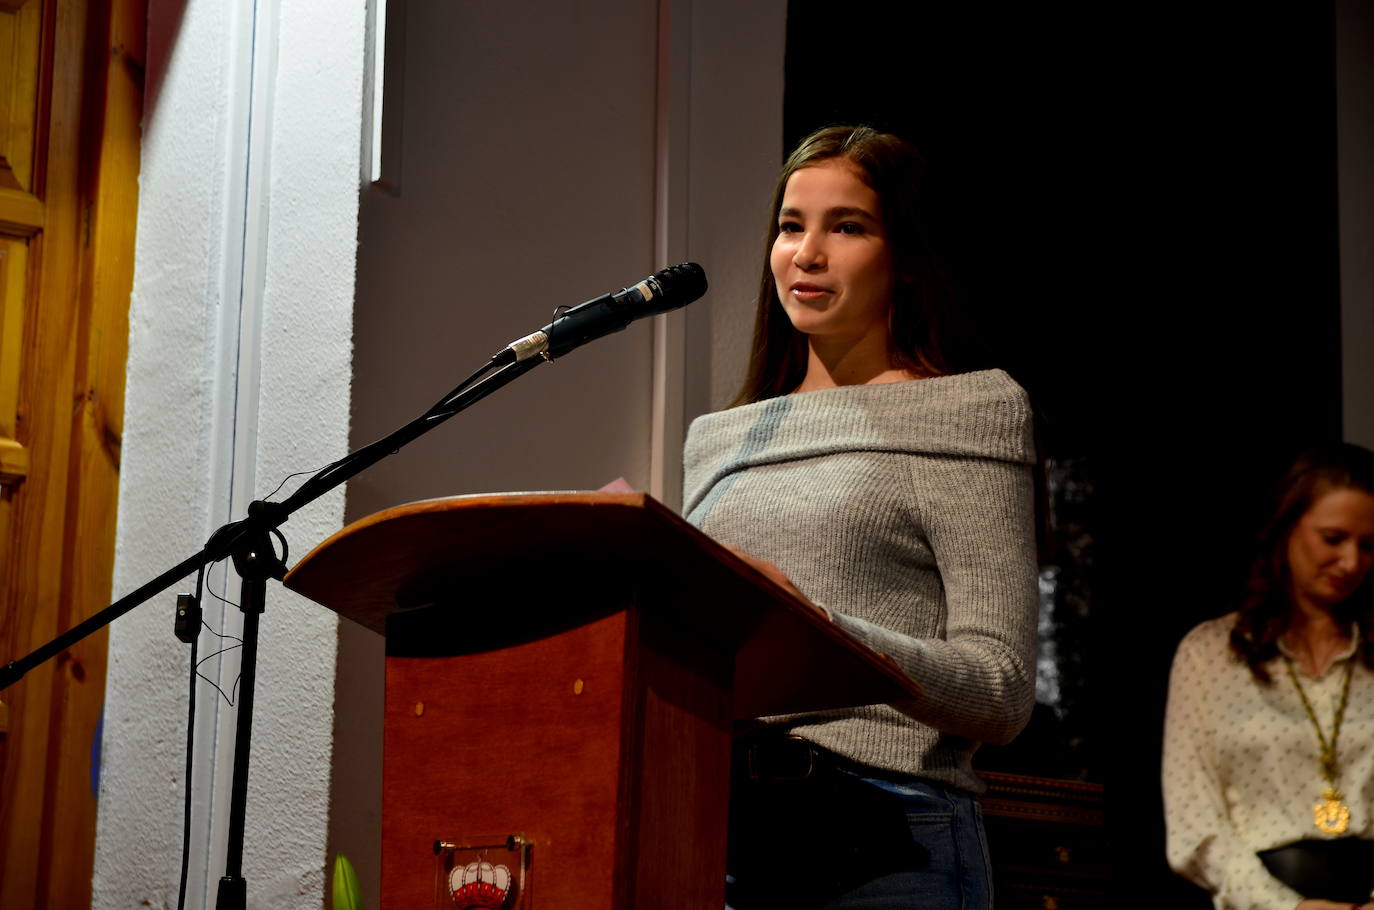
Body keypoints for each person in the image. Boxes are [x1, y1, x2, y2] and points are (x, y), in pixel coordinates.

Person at [681, 124, 1039, 910]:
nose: (807, 253)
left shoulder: (968, 411)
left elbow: (1003, 690)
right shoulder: (718, 439)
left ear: (905, 260)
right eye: (790, 225)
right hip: (716, 833)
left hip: (890, 837)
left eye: (847, 227)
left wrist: (818, 629)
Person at [1164, 443, 1374, 909]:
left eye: (1369, 545)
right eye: (1333, 539)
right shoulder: (1210, 654)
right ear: (1287, 528)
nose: (1351, 562)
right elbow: (1193, 822)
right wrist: (1287, 907)